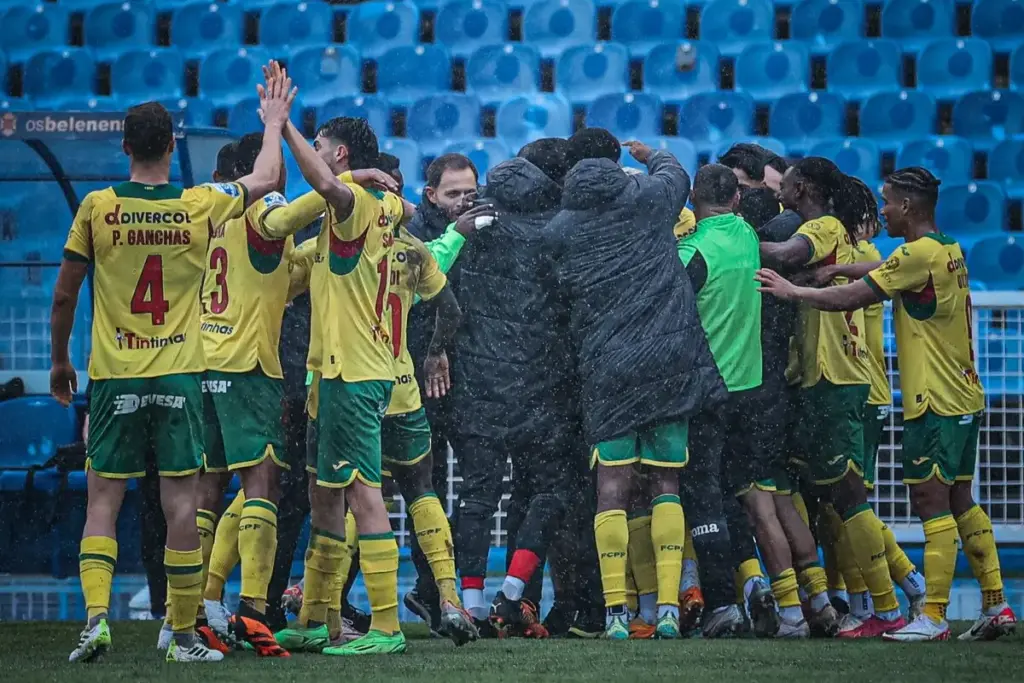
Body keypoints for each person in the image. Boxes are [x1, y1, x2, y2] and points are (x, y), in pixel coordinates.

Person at [52, 78, 293, 663]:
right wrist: (273, 121)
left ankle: (95, 621)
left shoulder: (98, 207)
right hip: (180, 376)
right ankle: (181, 635)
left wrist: (60, 361)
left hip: (116, 375)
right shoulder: (199, 204)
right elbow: (266, 178)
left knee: (103, 501)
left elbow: (64, 295)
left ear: (125, 148)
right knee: (181, 504)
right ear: (170, 146)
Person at [757, 166, 1018, 643]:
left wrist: (795, 290)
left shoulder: (915, 254)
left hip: (933, 398)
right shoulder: (946, 249)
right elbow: (882, 270)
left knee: (929, 502)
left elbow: (853, 297)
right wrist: (838, 268)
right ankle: (996, 603)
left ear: (909, 207)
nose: (883, 211)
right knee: (961, 499)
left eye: (889, 202)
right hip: (964, 392)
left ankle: (932, 615)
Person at [547, 130, 726, 640]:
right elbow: (678, 175)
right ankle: (667, 609)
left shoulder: (561, 228)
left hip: (607, 368)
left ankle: (615, 615)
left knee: (612, 488)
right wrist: (653, 155)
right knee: (666, 484)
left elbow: (557, 291)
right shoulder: (649, 198)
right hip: (669, 363)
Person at [269, 88, 412, 655]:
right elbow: (402, 208)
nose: (317, 153)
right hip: (332, 374)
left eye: (320, 145)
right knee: (323, 494)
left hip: (353, 372)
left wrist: (282, 126)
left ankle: (387, 627)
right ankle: (315, 619)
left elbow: (325, 186)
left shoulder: (353, 204)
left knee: (361, 493)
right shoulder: (379, 204)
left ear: (341, 154)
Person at [757, 157, 905, 638]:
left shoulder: (820, 226)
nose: (781, 187)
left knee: (847, 496)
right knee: (826, 496)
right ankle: (880, 593)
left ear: (802, 188)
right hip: (828, 377)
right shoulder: (838, 233)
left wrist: (734, 237)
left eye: (787, 181)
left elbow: (787, 253)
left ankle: (888, 605)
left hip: (834, 378)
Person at [443, 138, 582, 638]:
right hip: (540, 386)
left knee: (478, 496)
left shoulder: (474, 222)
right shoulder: (559, 231)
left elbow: (443, 293)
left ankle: (473, 605)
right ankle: (514, 590)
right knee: (549, 489)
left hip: (477, 383)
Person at [678, 164, 803, 639]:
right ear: (735, 201)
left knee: (702, 496)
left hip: (707, 392)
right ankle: (755, 585)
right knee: (732, 491)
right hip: (751, 391)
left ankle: (722, 604)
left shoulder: (692, 252)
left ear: (693, 200)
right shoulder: (748, 236)